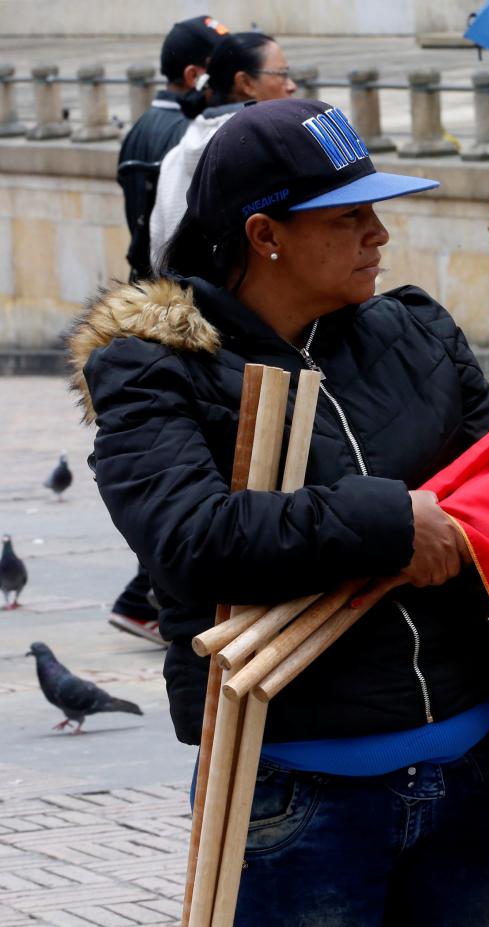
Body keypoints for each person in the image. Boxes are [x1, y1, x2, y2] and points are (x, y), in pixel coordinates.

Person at [69, 99, 489, 925]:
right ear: (265, 234)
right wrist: (393, 525)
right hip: (292, 794)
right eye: (350, 216)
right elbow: (192, 538)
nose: (378, 235)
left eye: (377, 213)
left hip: (474, 778)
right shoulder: (157, 369)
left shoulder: (418, 333)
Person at [112, 14, 230, 646]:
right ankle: (143, 598)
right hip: (184, 319)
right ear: (198, 75)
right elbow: (158, 241)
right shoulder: (174, 137)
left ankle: (141, 596)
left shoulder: (168, 128)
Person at [149, 32, 297, 268]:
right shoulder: (268, 151)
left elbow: (158, 254)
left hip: (181, 300)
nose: (291, 86)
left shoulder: (175, 156)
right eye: (282, 75)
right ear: (246, 83)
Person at [117, 15, 230, 282]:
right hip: (180, 293)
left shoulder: (139, 127)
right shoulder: (193, 138)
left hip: (151, 288)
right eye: (224, 69)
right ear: (194, 76)